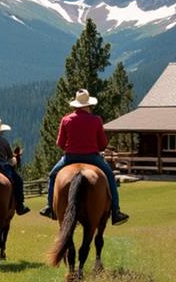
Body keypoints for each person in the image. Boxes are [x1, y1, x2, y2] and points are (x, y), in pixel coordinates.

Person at [38, 89, 130, 225]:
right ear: (89, 105)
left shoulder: (66, 120)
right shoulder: (96, 120)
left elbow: (60, 143)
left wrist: (72, 148)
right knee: (110, 176)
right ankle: (116, 211)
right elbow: (103, 144)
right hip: (92, 157)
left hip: (70, 158)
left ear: (75, 104)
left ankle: (50, 207)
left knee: (52, 176)